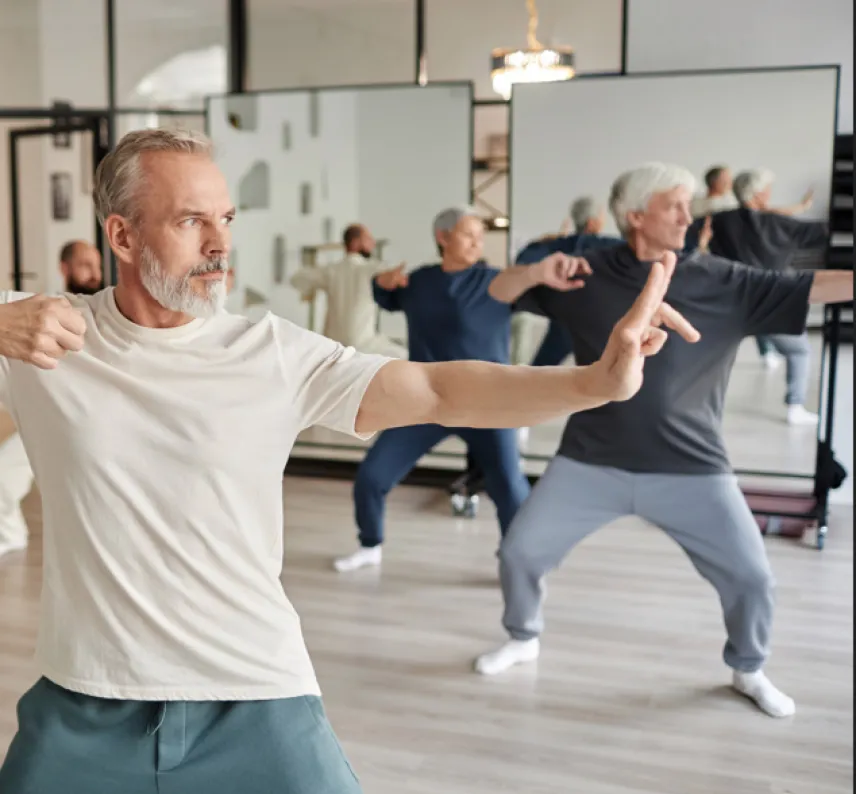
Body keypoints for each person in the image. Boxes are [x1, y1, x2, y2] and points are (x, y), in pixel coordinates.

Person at [0, 130, 699, 793]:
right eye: (191, 222)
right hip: (83, 696)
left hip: (252, 689)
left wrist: (593, 382)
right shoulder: (43, 336)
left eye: (227, 218)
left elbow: (436, 387)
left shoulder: (269, 353)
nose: (221, 245)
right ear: (121, 234)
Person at [474, 162, 853, 720]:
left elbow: (817, 286)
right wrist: (534, 273)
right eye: (674, 204)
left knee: (751, 577)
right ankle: (523, 634)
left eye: (688, 203)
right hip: (590, 460)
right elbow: (497, 288)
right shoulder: (585, 273)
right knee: (519, 552)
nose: (689, 214)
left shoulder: (726, 280)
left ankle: (748, 667)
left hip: (692, 467)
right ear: (635, 216)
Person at [333, 207, 591, 573]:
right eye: (469, 234)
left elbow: (524, 280)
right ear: (443, 237)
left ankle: (519, 562)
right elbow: (384, 294)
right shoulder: (419, 282)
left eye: (479, 236)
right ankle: (370, 545)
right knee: (372, 477)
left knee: (509, 488)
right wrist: (382, 281)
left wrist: (539, 270)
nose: (477, 242)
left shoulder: (494, 281)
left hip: (488, 405)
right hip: (425, 403)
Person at [0, 240, 104, 559]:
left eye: (97, 266)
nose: (94, 274)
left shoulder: (111, 314)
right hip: (47, 416)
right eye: (86, 265)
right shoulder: (36, 314)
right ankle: (9, 538)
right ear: (64, 269)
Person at [709, 168, 830, 424]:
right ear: (760, 193)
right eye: (767, 190)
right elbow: (823, 233)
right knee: (799, 352)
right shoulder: (779, 224)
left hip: (729, 299)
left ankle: (766, 354)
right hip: (770, 301)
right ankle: (795, 407)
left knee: (715, 352)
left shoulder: (720, 220)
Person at [515, 197, 622, 369]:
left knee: (541, 369)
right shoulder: (609, 246)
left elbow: (523, 262)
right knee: (607, 373)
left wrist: (540, 243)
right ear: (593, 222)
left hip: (562, 321)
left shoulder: (555, 245)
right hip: (597, 324)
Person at [290, 223, 407, 358]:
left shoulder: (331, 270)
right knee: (405, 356)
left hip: (332, 347)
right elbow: (386, 277)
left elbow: (297, 279)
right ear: (355, 242)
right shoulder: (371, 268)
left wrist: (308, 290)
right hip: (363, 346)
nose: (373, 243)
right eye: (368, 239)